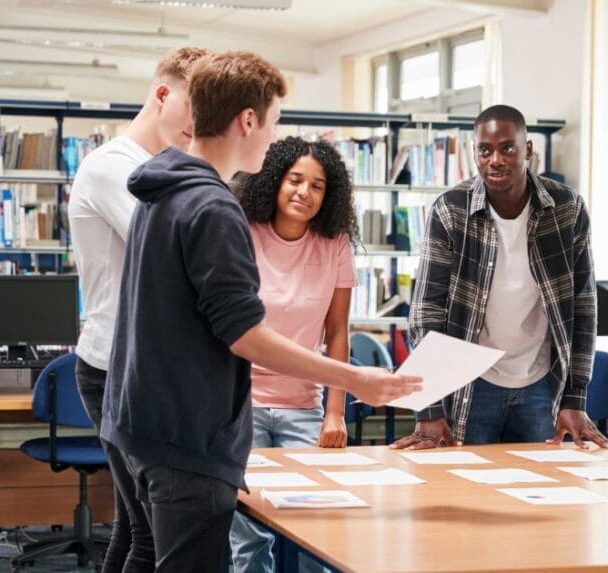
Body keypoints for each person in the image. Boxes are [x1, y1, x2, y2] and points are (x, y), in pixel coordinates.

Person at [101, 51, 421, 570]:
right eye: (273, 122)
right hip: (187, 437)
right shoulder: (212, 207)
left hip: (138, 424)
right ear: (247, 119)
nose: (273, 136)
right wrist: (355, 380)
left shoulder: (160, 190)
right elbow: (244, 334)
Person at [392, 104, 608, 450]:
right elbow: (426, 312)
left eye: (507, 148)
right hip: (471, 385)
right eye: (485, 150)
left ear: (527, 150)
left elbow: (584, 308)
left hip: (541, 383)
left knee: (539, 493)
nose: (495, 159)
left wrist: (575, 396)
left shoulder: (567, 209)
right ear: (474, 153)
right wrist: (430, 407)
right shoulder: (451, 210)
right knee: (464, 491)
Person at [68, 46, 209, 572]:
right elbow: (177, 254)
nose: (200, 125)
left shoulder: (159, 168)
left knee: (135, 527)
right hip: (114, 367)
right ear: (162, 94)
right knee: (153, 534)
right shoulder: (115, 167)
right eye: (195, 109)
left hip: (139, 366)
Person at [229, 137, 359, 572]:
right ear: (274, 182)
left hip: (304, 406)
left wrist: (335, 412)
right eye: (295, 180)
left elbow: (338, 331)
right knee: (248, 542)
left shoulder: (335, 242)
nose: (305, 192)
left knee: (318, 534)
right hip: (241, 406)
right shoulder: (243, 232)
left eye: (318, 186)